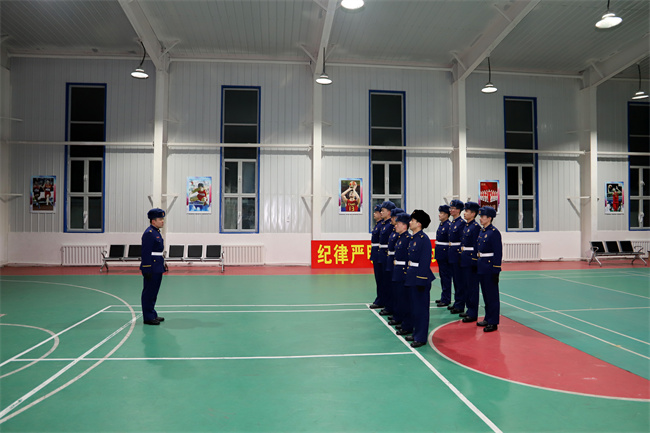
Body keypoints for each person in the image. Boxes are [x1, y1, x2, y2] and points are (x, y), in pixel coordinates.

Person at [403, 209, 435, 348]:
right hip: (412, 276)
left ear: (419, 224)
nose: (410, 222)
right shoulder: (413, 238)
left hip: (420, 277)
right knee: (414, 307)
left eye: (412, 220)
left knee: (421, 309)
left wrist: (421, 278)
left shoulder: (423, 239)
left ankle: (421, 337)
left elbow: (425, 261)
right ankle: (416, 333)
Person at [476, 206, 502, 332]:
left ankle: (493, 321)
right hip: (482, 266)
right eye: (480, 216)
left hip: (490, 267)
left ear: (489, 218)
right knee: (486, 295)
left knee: (492, 296)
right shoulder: (482, 231)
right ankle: (487, 317)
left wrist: (496, 269)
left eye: (483, 216)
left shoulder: (494, 232)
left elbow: (498, 252)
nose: (480, 218)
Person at [140, 208, 168, 325]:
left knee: (154, 293)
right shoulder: (149, 233)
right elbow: (145, 252)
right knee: (149, 293)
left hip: (157, 265)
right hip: (151, 266)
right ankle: (148, 317)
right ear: (153, 221)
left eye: (162, 219)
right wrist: (146, 267)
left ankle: (152, 313)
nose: (162, 221)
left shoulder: (156, 232)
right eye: (160, 219)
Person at [458, 201, 481, 323]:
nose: (464, 213)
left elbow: (476, 246)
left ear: (473, 214)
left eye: (467, 211)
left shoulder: (475, 227)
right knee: (466, 286)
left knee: (472, 287)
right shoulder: (467, 226)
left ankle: (473, 312)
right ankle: (468, 309)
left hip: (470, 260)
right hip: (464, 258)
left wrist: (474, 260)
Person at [391, 213, 413, 333]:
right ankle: (402, 320)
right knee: (399, 297)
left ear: (405, 226)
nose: (395, 225)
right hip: (398, 271)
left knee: (405, 300)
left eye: (398, 223)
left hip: (403, 272)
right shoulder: (400, 238)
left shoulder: (407, 239)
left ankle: (407, 324)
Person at [377, 201, 396, 316]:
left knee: (388, 282)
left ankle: (389, 305)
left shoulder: (390, 226)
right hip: (383, 254)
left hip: (387, 255)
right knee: (383, 281)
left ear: (389, 212)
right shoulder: (384, 224)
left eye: (383, 210)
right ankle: (385, 303)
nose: (381, 212)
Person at [386, 207, 404, 325]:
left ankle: (399, 314)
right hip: (393, 262)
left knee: (399, 293)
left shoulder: (403, 236)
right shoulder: (394, 232)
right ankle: (395, 312)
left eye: (393, 218)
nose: (391, 220)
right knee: (393, 289)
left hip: (399, 266)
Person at [447, 200, 465, 314]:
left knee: (459, 281)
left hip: (457, 254)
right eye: (450, 208)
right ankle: (457, 302)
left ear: (458, 210)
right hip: (452, 253)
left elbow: (462, 240)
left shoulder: (461, 223)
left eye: (453, 208)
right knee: (455, 280)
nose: (451, 210)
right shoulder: (453, 223)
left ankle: (460, 304)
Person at [434, 205, 452, 307]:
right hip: (440, 253)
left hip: (445, 254)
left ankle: (446, 298)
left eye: (441, 213)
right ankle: (444, 296)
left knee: (446, 277)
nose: (439, 215)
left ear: (446, 215)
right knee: (442, 276)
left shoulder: (448, 225)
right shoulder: (442, 225)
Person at [369, 204, 384, 309]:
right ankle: (380, 298)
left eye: (377, 212)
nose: (374, 214)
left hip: (380, 254)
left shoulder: (382, 225)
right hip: (376, 253)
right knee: (378, 279)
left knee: (381, 279)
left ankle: (381, 300)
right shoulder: (378, 225)